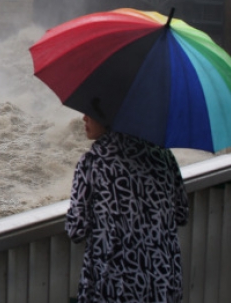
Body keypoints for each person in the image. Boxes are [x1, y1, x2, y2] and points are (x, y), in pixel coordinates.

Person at [66, 114, 189, 303]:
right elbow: (181, 213)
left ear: (109, 118)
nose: (84, 118)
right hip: (161, 277)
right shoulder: (163, 155)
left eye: (91, 112)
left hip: (115, 281)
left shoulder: (93, 161)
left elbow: (76, 229)